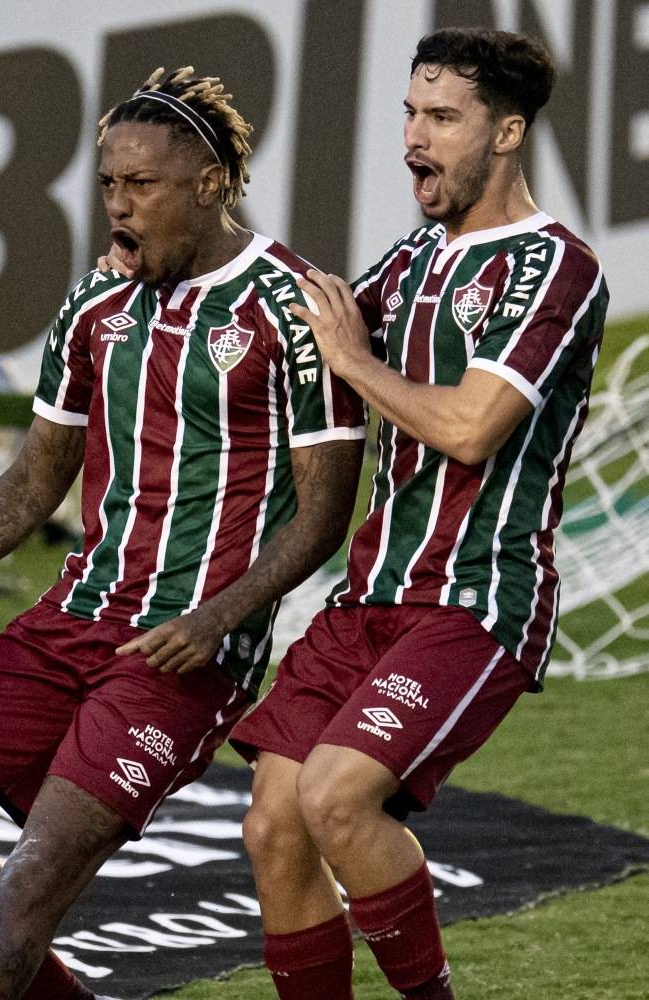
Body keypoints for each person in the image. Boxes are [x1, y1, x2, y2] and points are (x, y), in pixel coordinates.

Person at [0, 67, 368, 1000]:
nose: (118, 206)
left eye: (143, 185)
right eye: (108, 183)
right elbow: (38, 471)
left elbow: (323, 508)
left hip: (186, 651)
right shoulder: (95, 304)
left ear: (210, 182)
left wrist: (220, 619)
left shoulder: (294, 309)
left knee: (30, 887)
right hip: (71, 619)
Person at [232, 28, 608, 1000]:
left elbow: (474, 428)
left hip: (476, 598)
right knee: (274, 820)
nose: (415, 136)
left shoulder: (551, 266)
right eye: (409, 112)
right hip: (370, 598)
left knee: (335, 796)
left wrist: (356, 360)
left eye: (443, 117)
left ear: (508, 132)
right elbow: (304, 327)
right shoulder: (415, 258)